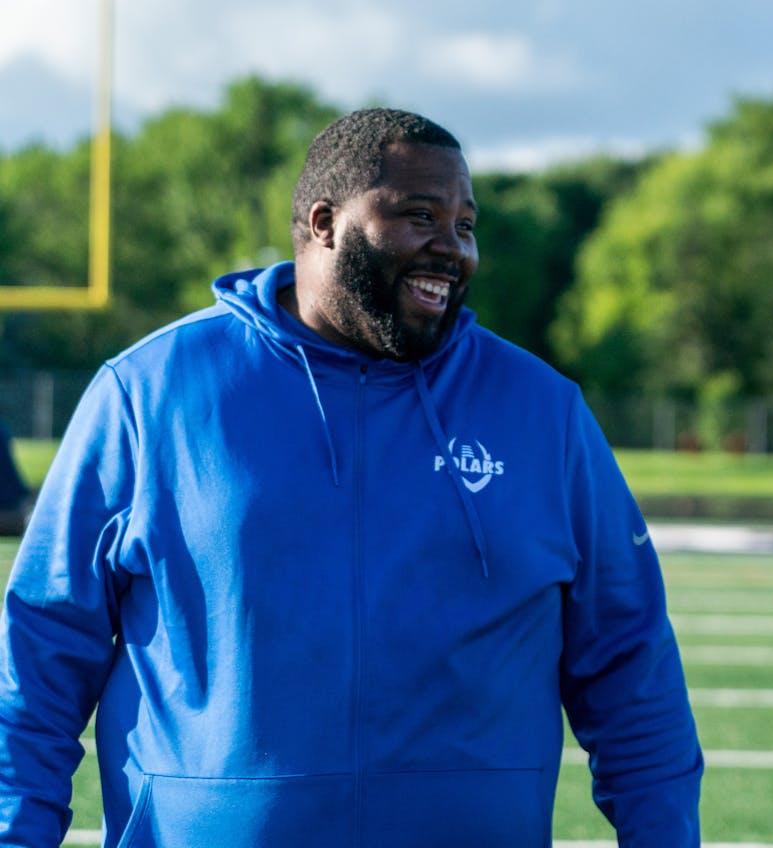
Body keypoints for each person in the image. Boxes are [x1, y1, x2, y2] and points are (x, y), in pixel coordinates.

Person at [0, 108, 702, 847]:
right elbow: (41, 655)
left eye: (466, 224)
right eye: (419, 215)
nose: (452, 248)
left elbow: (631, 669)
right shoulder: (151, 392)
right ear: (325, 221)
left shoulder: (543, 412)